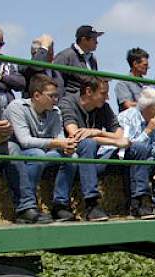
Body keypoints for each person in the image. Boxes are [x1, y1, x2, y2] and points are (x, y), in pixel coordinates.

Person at [57, 76, 132, 222]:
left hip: (92, 160)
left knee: (137, 149)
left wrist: (97, 132)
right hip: (72, 156)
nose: (108, 97)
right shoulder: (68, 102)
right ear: (89, 91)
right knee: (88, 144)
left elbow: (120, 134)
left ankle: (138, 202)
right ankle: (91, 203)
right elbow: (75, 135)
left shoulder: (104, 107)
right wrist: (115, 143)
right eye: (103, 93)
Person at [3, 74, 73, 224]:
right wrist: (56, 143)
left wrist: (66, 147)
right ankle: (27, 206)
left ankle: (60, 204)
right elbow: (24, 141)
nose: (56, 99)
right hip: (19, 151)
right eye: (52, 96)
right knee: (37, 154)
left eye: (57, 95)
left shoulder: (55, 111)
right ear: (36, 95)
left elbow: (59, 138)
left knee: (72, 158)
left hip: (45, 153)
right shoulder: (18, 107)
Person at [117, 86, 155, 219]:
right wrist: (147, 131)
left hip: (145, 158)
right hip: (125, 156)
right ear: (149, 107)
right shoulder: (127, 117)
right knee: (141, 150)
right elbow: (129, 145)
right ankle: (139, 202)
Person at [53, 25, 102, 96]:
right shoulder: (65, 56)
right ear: (84, 40)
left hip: (88, 102)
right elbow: (57, 81)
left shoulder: (92, 59)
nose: (97, 42)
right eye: (94, 39)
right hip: (69, 102)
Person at [22, 35, 65, 100]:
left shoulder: (56, 73)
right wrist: (44, 47)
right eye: (48, 52)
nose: (52, 54)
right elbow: (36, 66)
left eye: (52, 51)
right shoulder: (26, 67)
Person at [0, 24, 25, 108]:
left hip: (7, 107)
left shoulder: (6, 61)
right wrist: (7, 85)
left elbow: (21, 83)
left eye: (1, 44)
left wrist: (2, 78)